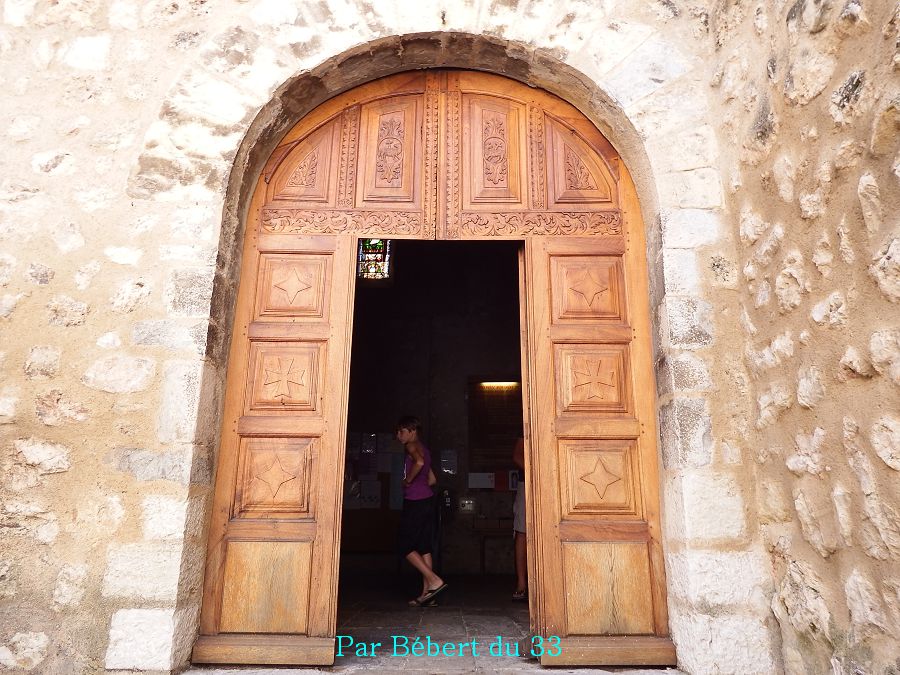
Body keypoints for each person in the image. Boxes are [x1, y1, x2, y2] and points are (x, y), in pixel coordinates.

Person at [396, 415, 447, 607]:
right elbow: (432, 479)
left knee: (404, 545)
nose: (398, 435)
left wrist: (408, 481)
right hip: (427, 500)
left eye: (402, 431)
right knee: (424, 546)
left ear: (412, 431)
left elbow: (418, 463)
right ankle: (428, 594)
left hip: (415, 501)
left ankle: (434, 580)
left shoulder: (411, 447)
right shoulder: (425, 449)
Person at [512, 436, 527, 601]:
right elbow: (517, 456)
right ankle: (522, 583)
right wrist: (534, 473)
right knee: (522, 531)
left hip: (549, 483)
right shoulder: (524, 432)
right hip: (527, 484)